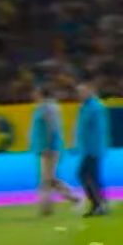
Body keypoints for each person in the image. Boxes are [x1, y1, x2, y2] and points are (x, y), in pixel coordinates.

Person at [29, 85, 80, 216]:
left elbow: (52, 128)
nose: (33, 95)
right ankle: (72, 198)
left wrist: (48, 146)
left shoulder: (48, 108)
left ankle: (47, 207)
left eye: (35, 92)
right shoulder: (42, 107)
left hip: (49, 148)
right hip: (44, 147)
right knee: (50, 178)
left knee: (47, 179)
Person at [73, 82, 111, 217]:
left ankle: (98, 204)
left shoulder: (93, 107)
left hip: (93, 148)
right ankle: (99, 204)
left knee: (86, 175)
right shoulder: (89, 106)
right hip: (90, 148)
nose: (79, 95)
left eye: (82, 92)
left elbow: (87, 128)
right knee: (91, 176)